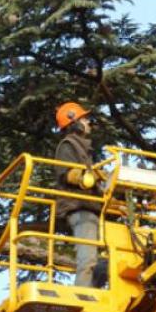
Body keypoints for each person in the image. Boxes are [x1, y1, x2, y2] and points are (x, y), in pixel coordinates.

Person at [54, 101, 105, 288]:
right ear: (73, 122)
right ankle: (84, 294)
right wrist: (85, 177)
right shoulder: (67, 145)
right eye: (85, 119)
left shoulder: (83, 148)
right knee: (89, 259)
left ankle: (94, 291)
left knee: (104, 261)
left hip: (89, 207)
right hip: (79, 208)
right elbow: (67, 173)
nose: (88, 123)